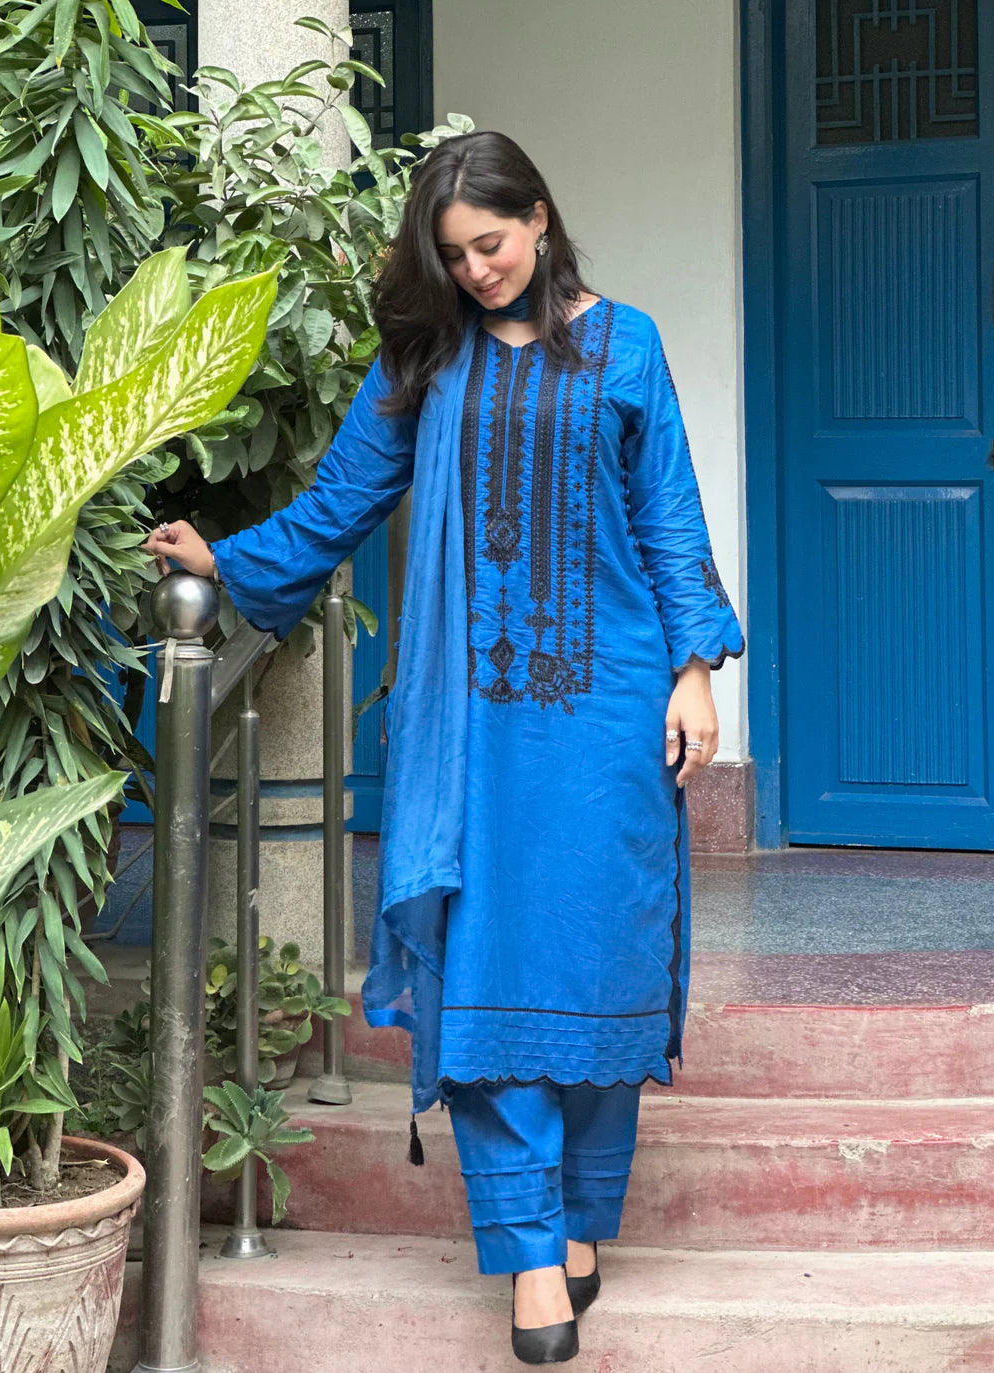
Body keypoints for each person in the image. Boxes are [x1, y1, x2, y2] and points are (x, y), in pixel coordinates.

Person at [145, 130, 743, 1366]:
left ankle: (583, 1214)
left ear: (538, 216)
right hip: (471, 732)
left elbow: (667, 514)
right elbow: (340, 504)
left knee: (599, 964)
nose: (475, 271)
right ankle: (529, 1248)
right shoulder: (420, 357)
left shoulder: (623, 343)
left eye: (492, 244)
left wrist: (692, 676)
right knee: (482, 969)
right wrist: (226, 558)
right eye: (454, 255)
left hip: (609, 713)